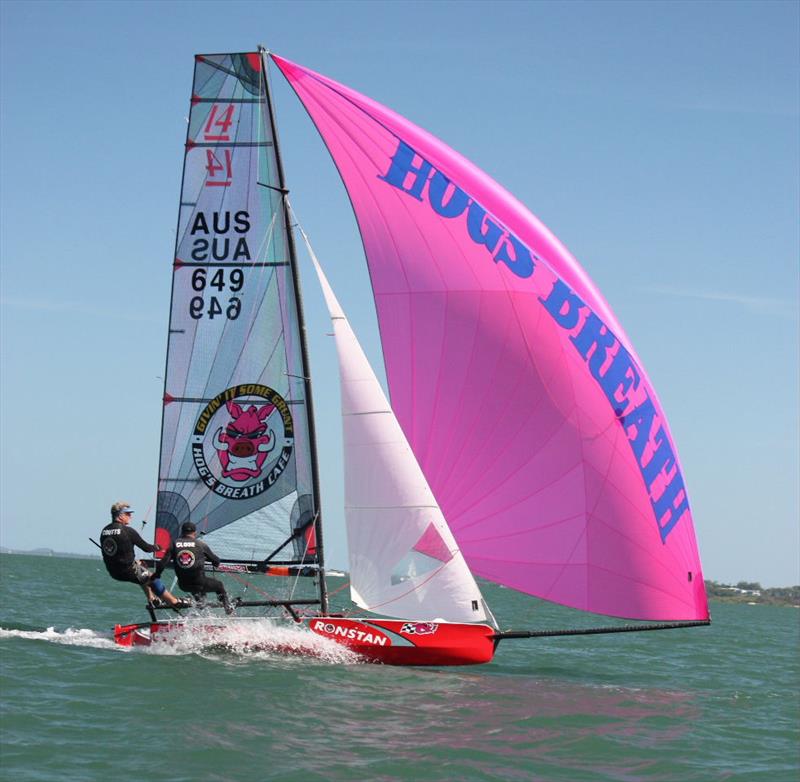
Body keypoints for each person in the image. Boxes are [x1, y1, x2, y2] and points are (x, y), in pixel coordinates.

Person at [100, 501, 184, 609]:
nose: (130, 516)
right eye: (128, 514)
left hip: (114, 572)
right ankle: (173, 601)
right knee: (152, 577)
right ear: (120, 516)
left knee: (142, 568)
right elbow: (147, 548)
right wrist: (159, 547)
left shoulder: (104, 531)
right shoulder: (127, 531)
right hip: (128, 571)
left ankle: (152, 599)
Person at [156, 521, 234, 614]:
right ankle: (228, 607)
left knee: (200, 595)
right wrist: (206, 557)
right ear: (194, 533)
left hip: (183, 585)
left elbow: (162, 563)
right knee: (219, 585)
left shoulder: (174, 544)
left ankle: (199, 608)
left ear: (182, 532)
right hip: (199, 583)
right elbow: (216, 561)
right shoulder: (201, 544)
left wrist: (157, 575)